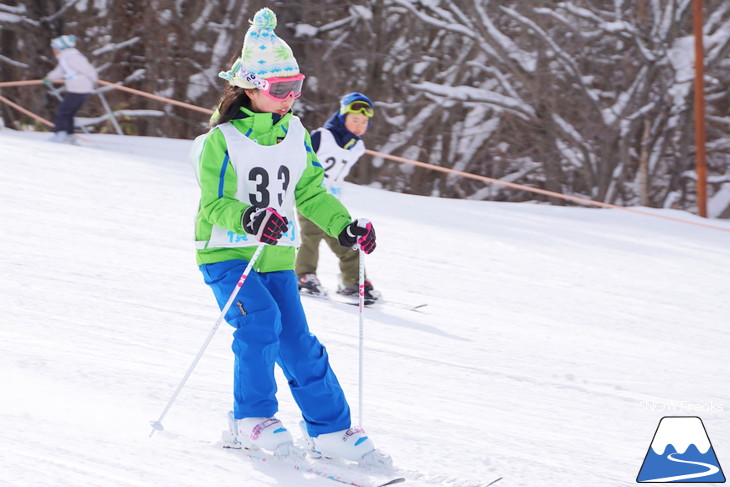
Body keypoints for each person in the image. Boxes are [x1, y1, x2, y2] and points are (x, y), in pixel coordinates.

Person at [192, 8, 387, 466]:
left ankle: (331, 428)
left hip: (276, 254)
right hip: (224, 251)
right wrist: (251, 217)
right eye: (280, 89)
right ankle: (251, 419)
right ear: (251, 87)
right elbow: (213, 204)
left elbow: (310, 191)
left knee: (298, 341)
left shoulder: (296, 133)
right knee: (259, 323)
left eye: (295, 88)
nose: (289, 98)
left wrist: (345, 227)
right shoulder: (220, 141)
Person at [295, 93, 378, 302]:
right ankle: (304, 274)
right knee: (311, 235)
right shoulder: (322, 136)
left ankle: (353, 281)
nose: (359, 126)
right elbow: (299, 158)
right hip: (310, 197)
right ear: (342, 116)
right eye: (354, 120)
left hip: (332, 201)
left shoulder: (357, 147)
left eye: (364, 122)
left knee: (346, 236)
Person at [43, 35, 98, 144]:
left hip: (80, 88)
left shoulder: (72, 57)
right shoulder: (65, 57)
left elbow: (88, 69)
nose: (53, 51)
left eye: (54, 48)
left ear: (61, 48)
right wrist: (49, 77)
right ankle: (69, 135)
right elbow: (60, 71)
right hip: (78, 88)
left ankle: (61, 133)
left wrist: (94, 80)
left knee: (63, 111)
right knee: (69, 112)